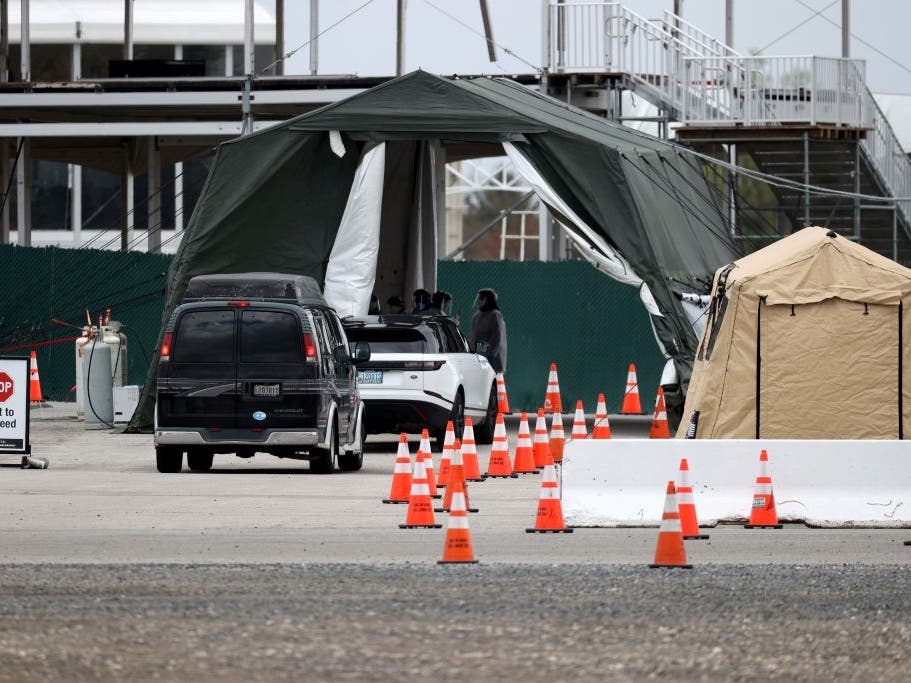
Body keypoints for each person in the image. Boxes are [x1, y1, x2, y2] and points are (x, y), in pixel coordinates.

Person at [469, 288, 507, 374]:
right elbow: (473, 338)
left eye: (480, 298)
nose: (478, 301)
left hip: (492, 361)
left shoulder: (495, 315)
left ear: (486, 299)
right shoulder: (476, 316)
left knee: (494, 383)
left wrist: (490, 355)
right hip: (478, 359)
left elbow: (497, 338)